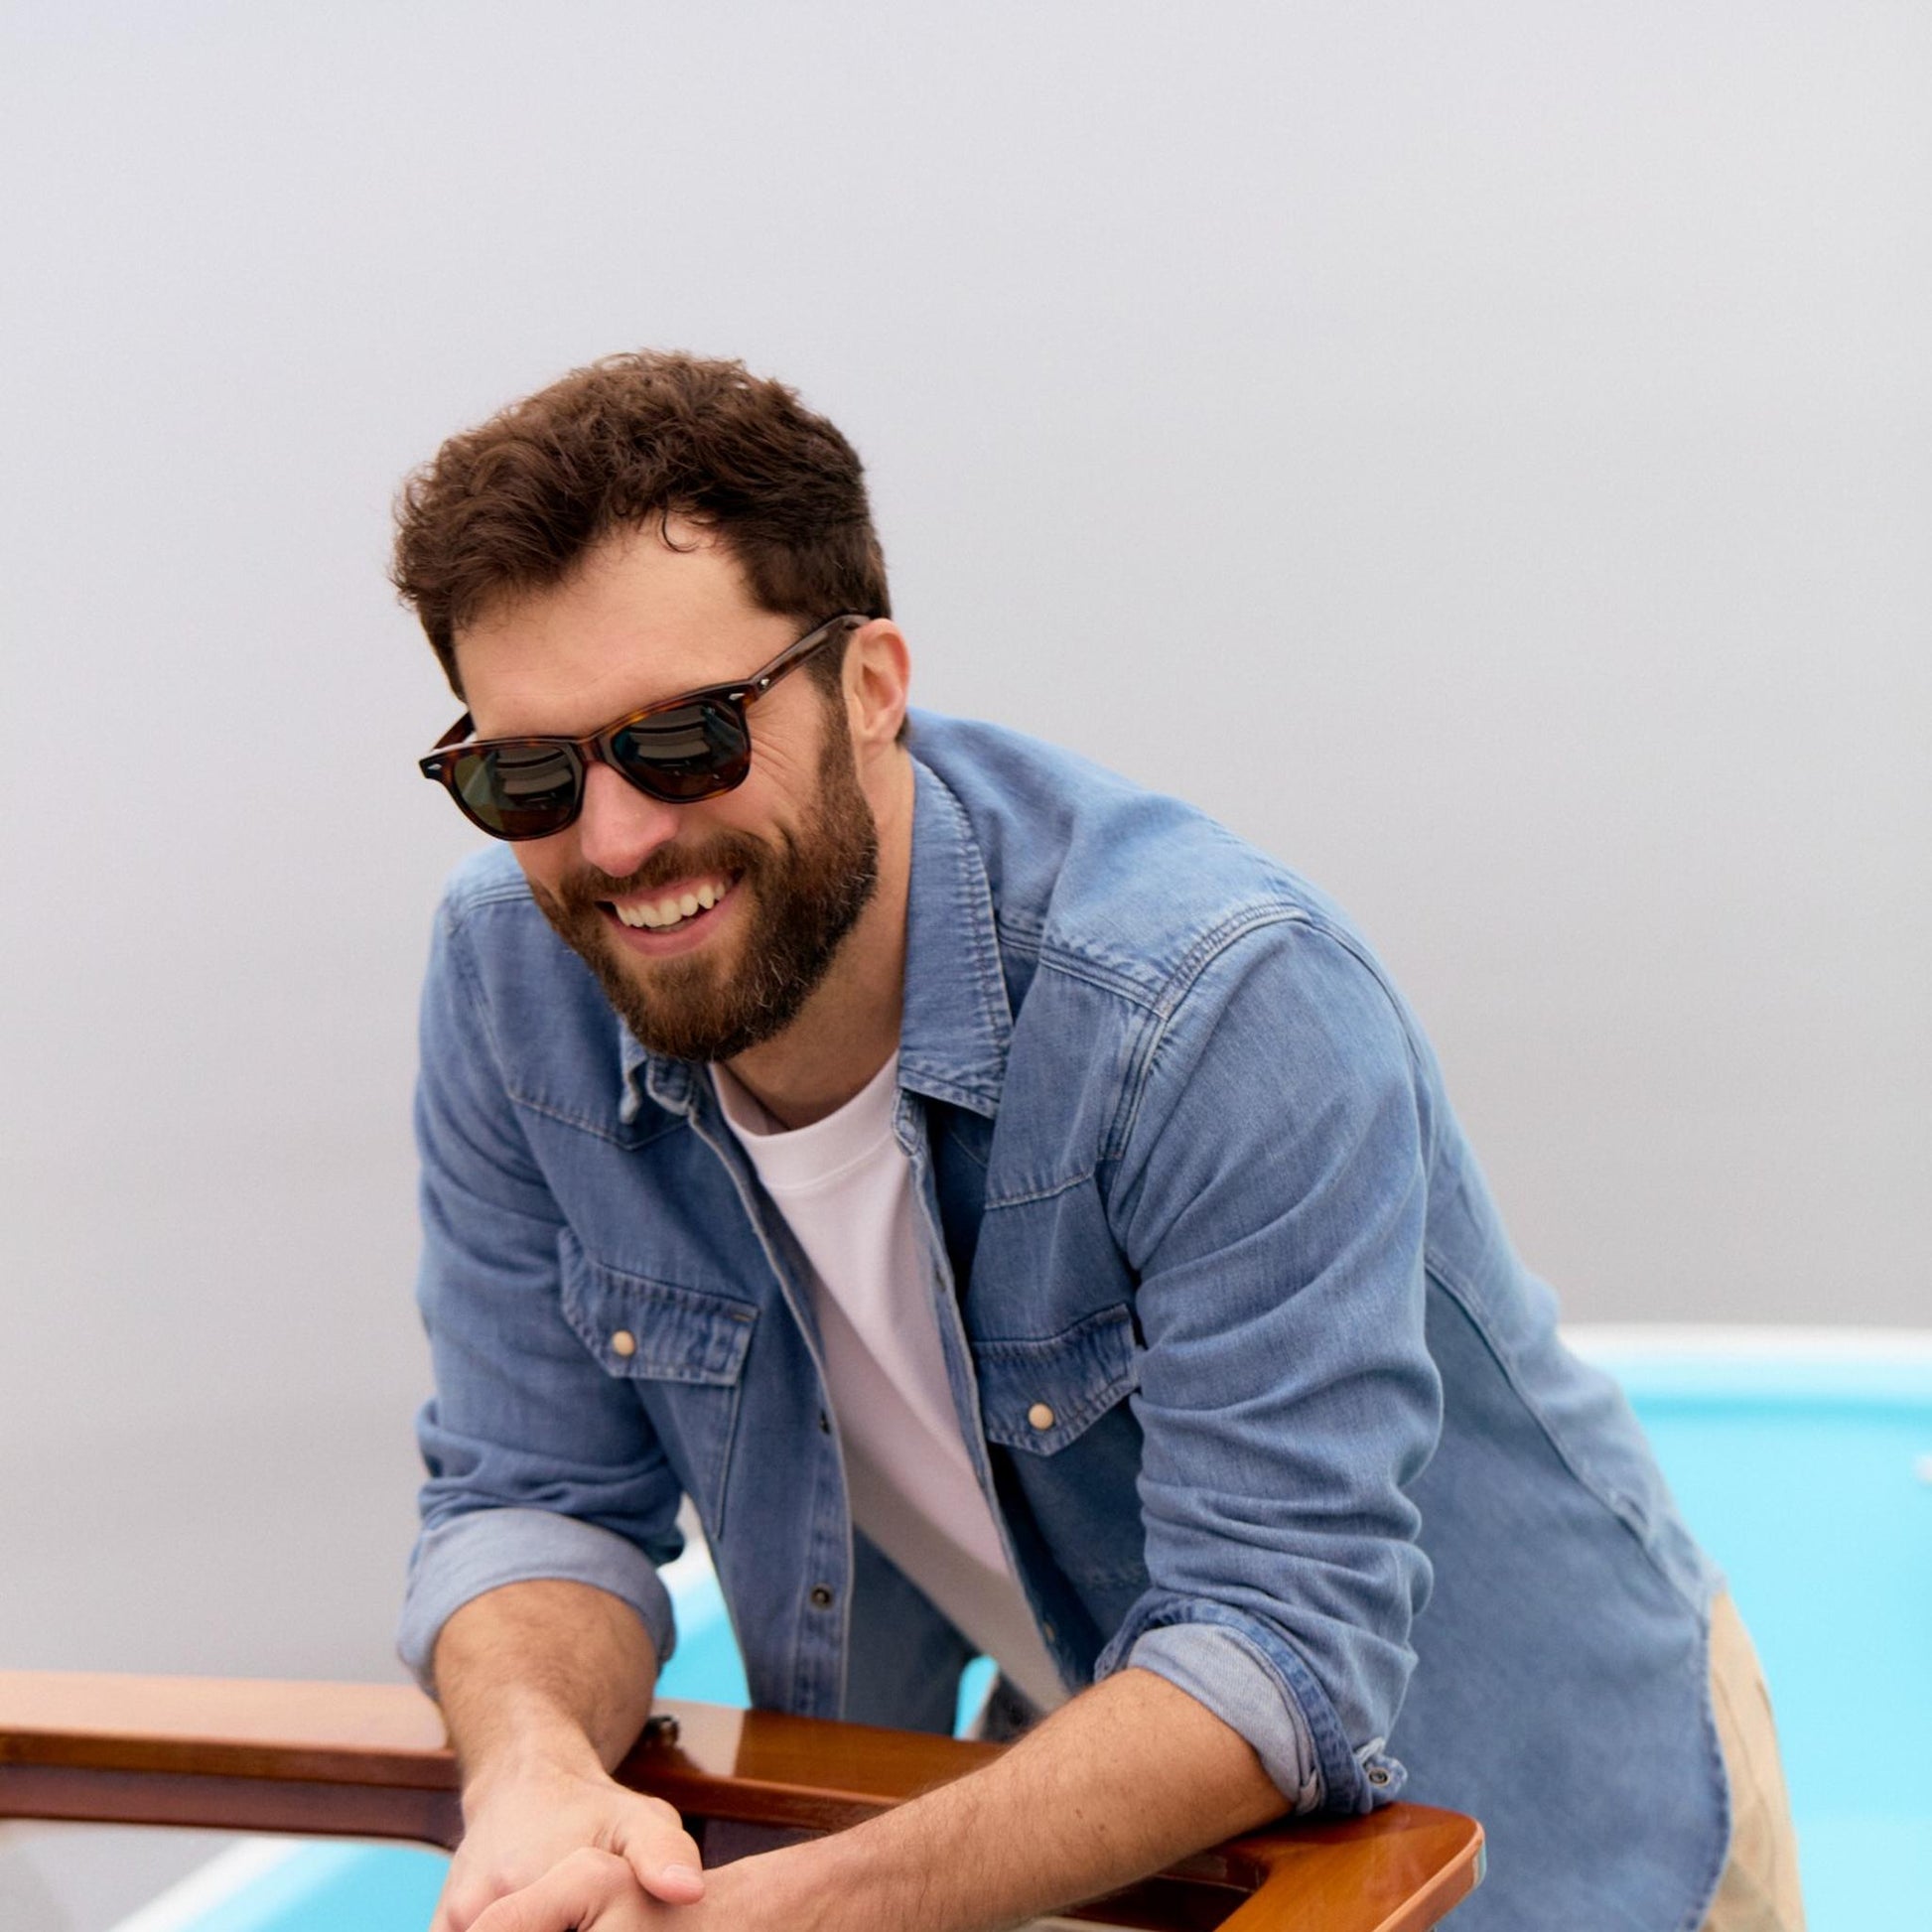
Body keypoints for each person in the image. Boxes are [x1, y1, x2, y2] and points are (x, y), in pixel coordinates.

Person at [390, 351, 1804, 1932]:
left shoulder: (1210, 1002)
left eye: (683, 742)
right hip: (1114, 1765)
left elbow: (1280, 1648)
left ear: (868, 685)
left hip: (1535, 1819)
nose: (616, 840)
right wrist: (528, 1768)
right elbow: (536, 1494)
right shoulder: (517, 978)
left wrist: (797, 1910)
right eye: (524, 775)